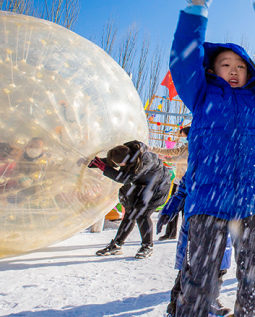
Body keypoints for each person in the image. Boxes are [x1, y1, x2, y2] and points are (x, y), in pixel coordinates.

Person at [169, 0, 255, 317]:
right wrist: (196, 12)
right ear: (212, 70)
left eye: (240, 65)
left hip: (253, 203)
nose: (234, 70)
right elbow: (184, 62)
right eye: (226, 64)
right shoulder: (202, 94)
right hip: (209, 203)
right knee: (200, 279)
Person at [158, 177, 234, 317]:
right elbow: (182, 191)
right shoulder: (198, 162)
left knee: (219, 270)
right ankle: (175, 308)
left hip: (221, 227)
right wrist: (168, 211)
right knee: (188, 273)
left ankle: (211, 301)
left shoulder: (232, 165)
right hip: (195, 226)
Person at [85, 140, 171, 259]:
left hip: (158, 187)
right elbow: (114, 164)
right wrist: (94, 163)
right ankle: (116, 245)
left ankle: (147, 246)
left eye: (121, 164)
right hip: (141, 185)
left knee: (142, 215)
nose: (120, 166)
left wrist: (103, 168)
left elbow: (125, 178)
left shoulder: (145, 160)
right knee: (130, 214)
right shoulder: (126, 152)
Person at [150, 125, 191, 241]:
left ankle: (187, 234)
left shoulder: (193, 147)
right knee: (173, 208)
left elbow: (185, 159)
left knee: (185, 210)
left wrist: (167, 159)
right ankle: (171, 232)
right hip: (178, 181)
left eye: (182, 136)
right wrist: (153, 149)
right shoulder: (184, 147)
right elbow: (171, 151)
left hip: (186, 182)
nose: (181, 138)